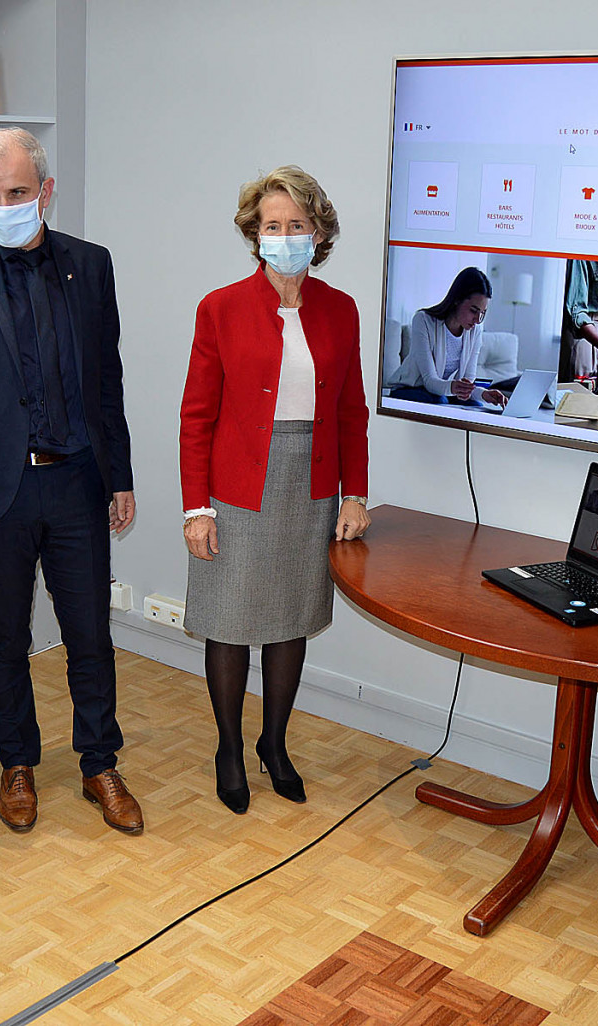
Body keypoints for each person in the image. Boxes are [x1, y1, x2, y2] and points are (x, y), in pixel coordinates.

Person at [0, 127, 142, 835]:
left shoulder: (90, 264)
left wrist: (121, 476)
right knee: (4, 637)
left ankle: (98, 763)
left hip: (77, 481)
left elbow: (108, 379)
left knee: (89, 635)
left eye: (16, 193)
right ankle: (17, 763)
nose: (3, 204)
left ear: (44, 191)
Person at [180, 165, 369, 816]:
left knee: (290, 620)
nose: (283, 235)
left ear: (318, 234)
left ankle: (273, 744)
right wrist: (196, 506)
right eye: (271, 226)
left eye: (295, 225)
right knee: (230, 625)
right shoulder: (220, 307)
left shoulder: (341, 311)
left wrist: (354, 493)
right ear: (253, 234)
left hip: (309, 484)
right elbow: (196, 416)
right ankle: (229, 749)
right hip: (235, 488)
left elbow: (351, 414)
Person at [387, 267, 506, 406]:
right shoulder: (423, 320)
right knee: (440, 400)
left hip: (441, 391)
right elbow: (430, 380)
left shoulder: (475, 332)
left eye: (482, 313)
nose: (478, 320)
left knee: (477, 405)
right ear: (457, 300)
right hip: (410, 388)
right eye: (473, 311)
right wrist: (453, 387)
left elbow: (467, 385)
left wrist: (484, 394)